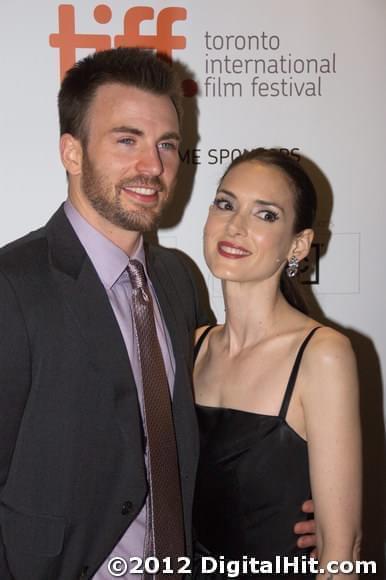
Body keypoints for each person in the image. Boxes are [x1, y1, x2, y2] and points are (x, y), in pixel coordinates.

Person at [0, 49, 316, 580]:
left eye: (166, 144)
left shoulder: (176, 278)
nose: (153, 166)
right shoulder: (13, 286)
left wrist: (296, 503)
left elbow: (207, 431)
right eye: (127, 140)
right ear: (72, 153)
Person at [193, 149, 361, 579]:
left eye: (265, 215)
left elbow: (341, 552)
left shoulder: (322, 355)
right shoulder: (191, 348)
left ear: (299, 244)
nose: (235, 226)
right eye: (226, 204)